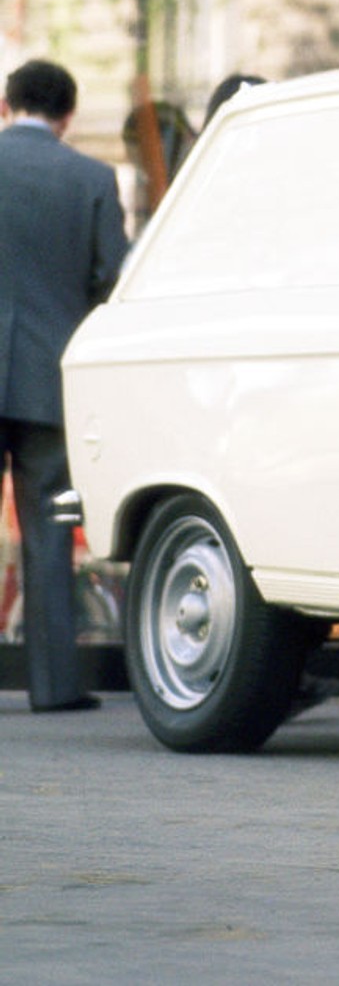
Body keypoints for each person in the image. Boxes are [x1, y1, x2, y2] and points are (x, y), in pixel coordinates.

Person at [0, 59, 129, 712]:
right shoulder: (93, 178)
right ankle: (52, 688)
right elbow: (114, 280)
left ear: (5, 105)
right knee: (48, 529)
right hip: (49, 379)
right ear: (68, 115)